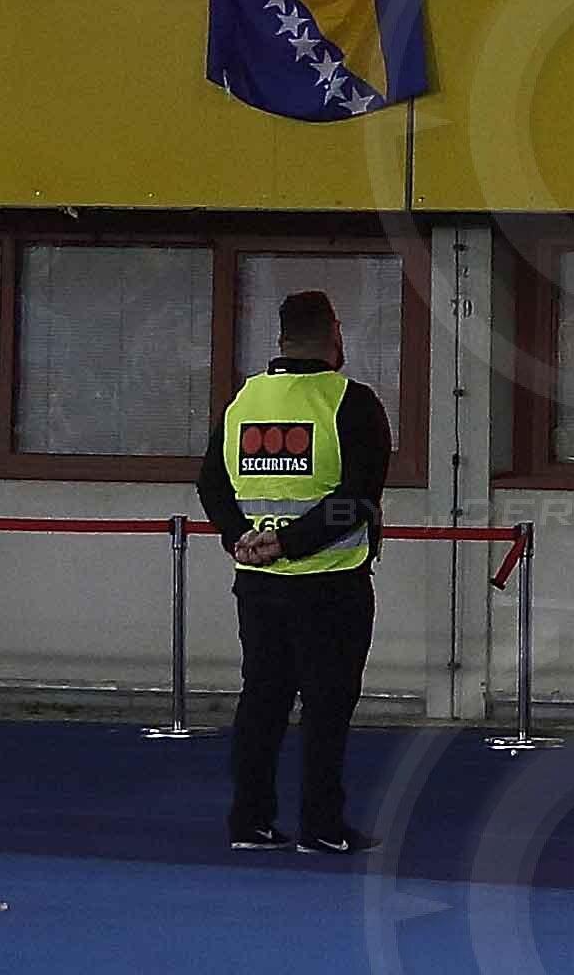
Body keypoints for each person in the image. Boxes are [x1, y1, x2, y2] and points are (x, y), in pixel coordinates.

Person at [201, 286, 385, 854]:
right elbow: (356, 499)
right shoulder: (351, 402)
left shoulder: (244, 402)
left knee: (262, 700)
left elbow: (211, 482)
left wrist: (242, 541)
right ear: (336, 334)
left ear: (278, 338)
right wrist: (289, 545)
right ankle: (322, 826)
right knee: (327, 707)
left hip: (257, 585)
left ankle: (250, 821)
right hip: (330, 581)